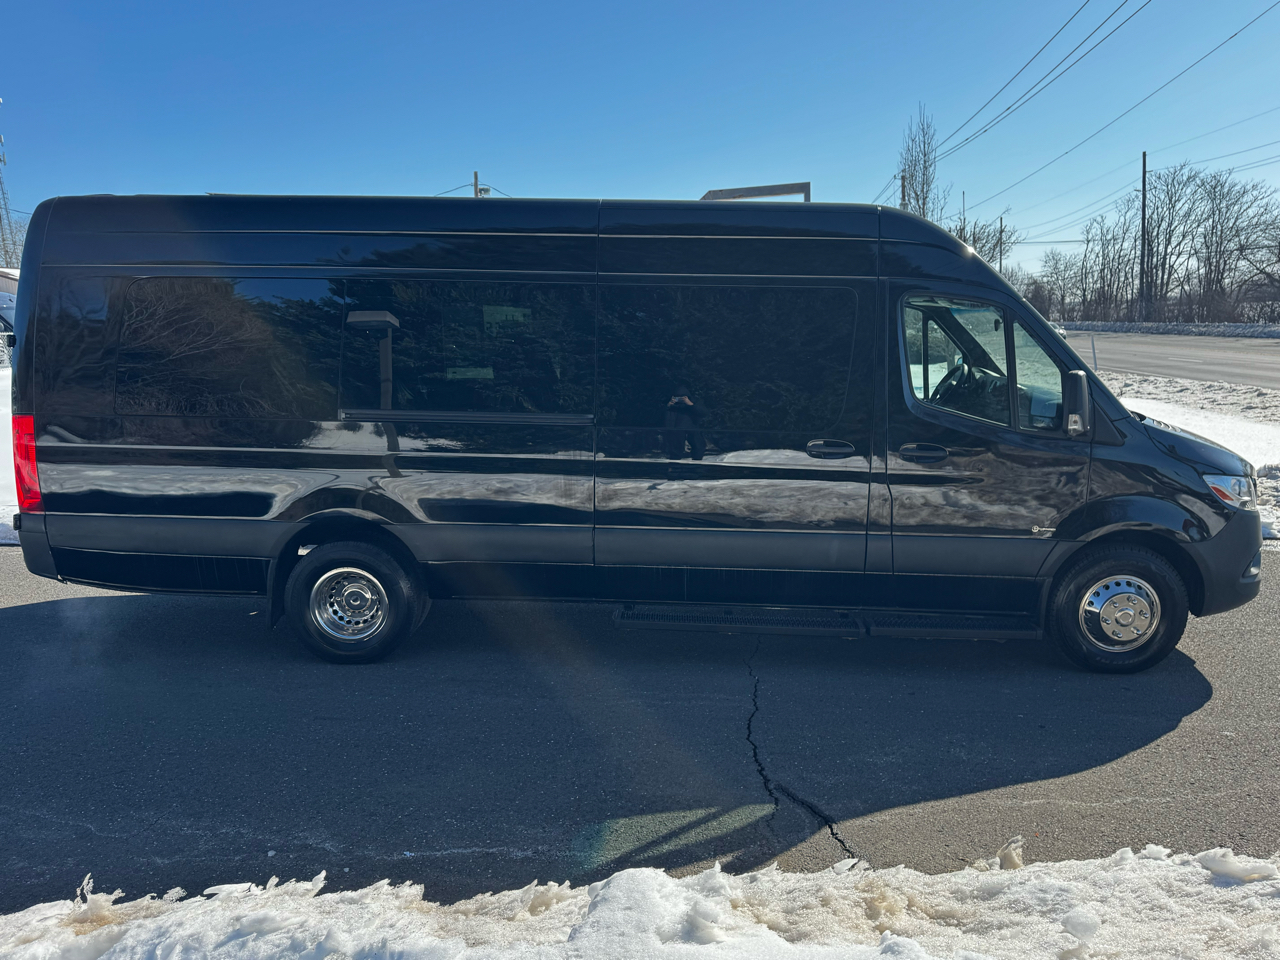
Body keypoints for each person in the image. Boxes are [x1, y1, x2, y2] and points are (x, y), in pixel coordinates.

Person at [663, 382, 706, 460]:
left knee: (698, 447)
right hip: (676, 429)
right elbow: (660, 416)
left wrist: (690, 404)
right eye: (677, 397)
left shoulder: (694, 402)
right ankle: (675, 468)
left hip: (693, 428)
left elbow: (703, 413)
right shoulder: (672, 406)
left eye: (682, 397)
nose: (680, 399)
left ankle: (696, 466)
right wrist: (668, 406)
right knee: (675, 450)